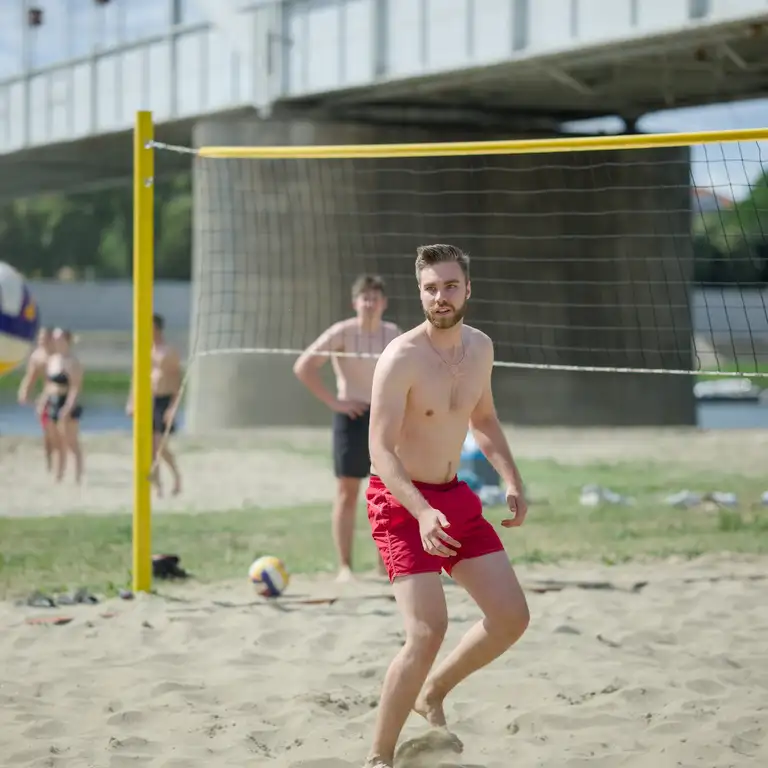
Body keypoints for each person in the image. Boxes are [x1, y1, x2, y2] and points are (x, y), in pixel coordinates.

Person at [362, 244, 530, 768]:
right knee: (427, 629)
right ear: (420, 293)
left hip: (453, 496)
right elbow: (380, 450)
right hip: (400, 501)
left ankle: (431, 691)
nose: (441, 296)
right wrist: (421, 512)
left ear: (467, 289)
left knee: (510, 618)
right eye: (431, 288)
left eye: (450, 286)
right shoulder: (401, 358)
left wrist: (511, 478)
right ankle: (378, 757)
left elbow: (484, 419)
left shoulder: (480, 348)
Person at [293, 275, 401, 582]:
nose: (369, 303)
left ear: (384, 303)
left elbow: (413, 370)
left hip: (383, 418)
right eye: (364, 297)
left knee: (387, 493)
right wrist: (334, 402)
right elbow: (304, 366)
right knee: (347, 492)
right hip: (351, 416)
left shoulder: (392, 334)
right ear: (355, 302)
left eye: (375, 297)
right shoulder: (343, 332)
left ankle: (385, 564)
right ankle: (345, 567)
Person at [126, 313, 183, 497]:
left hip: (164, 400)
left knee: (159, 445)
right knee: (149, 446)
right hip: (147, 399)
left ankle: (176, 477)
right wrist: (131, 401)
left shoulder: (169, 352)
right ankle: (157, 486)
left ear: (156, 328)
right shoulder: (143, 350)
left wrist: (173, 407)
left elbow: (177, 381)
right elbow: (136, 378)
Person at [42, 328, 85, 484]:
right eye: (54, 339)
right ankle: (59, 474)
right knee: (56, 440)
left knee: (70, 440)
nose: (56, 341)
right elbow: (48, 384)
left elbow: (75, 387)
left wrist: (67, 407)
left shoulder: (72, 361)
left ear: (67, 340)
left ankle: (78, 475)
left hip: (66, 400)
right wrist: (43, 401)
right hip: (53, 399)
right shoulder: (52, 359)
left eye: (59, 339)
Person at [17, 326, 55, 472]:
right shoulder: (37, 356)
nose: (42, 341)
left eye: (45, 338)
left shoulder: (59, 354)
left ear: (51, 339)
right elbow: (30, 377)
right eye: (40, 338)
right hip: (46, 397)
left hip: (60, 396)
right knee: (47, 433)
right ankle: (50, 464)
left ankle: (60, 462)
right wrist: (24, 391)